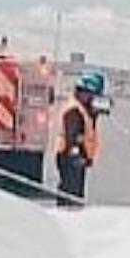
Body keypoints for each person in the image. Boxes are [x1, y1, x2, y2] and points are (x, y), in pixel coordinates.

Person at [55, 71, 103, 203]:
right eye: (92, 95)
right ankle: (66, 212)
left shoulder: (81, 108)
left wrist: (93, 115)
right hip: (71, 157)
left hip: (76, 157)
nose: (93, 99)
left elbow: (85, 130)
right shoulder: (74, 110)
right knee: (70, 193)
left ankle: (70, 210)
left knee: (75, 195)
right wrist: (76, 156)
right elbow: (72, 137)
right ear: (84, 92)